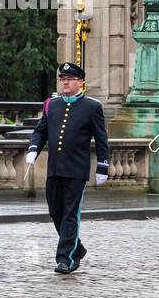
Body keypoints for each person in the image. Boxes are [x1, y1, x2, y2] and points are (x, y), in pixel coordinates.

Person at [26, 62, 110, 274]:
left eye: (70, 79)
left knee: (70, 214)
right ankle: (77, 247)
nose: (65, 82)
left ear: (81, 82)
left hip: (76, 169)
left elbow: (102, 139)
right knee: (55, 212)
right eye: (62, 79)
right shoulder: (51, 104)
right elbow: (41, 131)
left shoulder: (92, 107)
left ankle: (66, 259)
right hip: (55, 168)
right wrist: (34, 148)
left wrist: (102, 166)